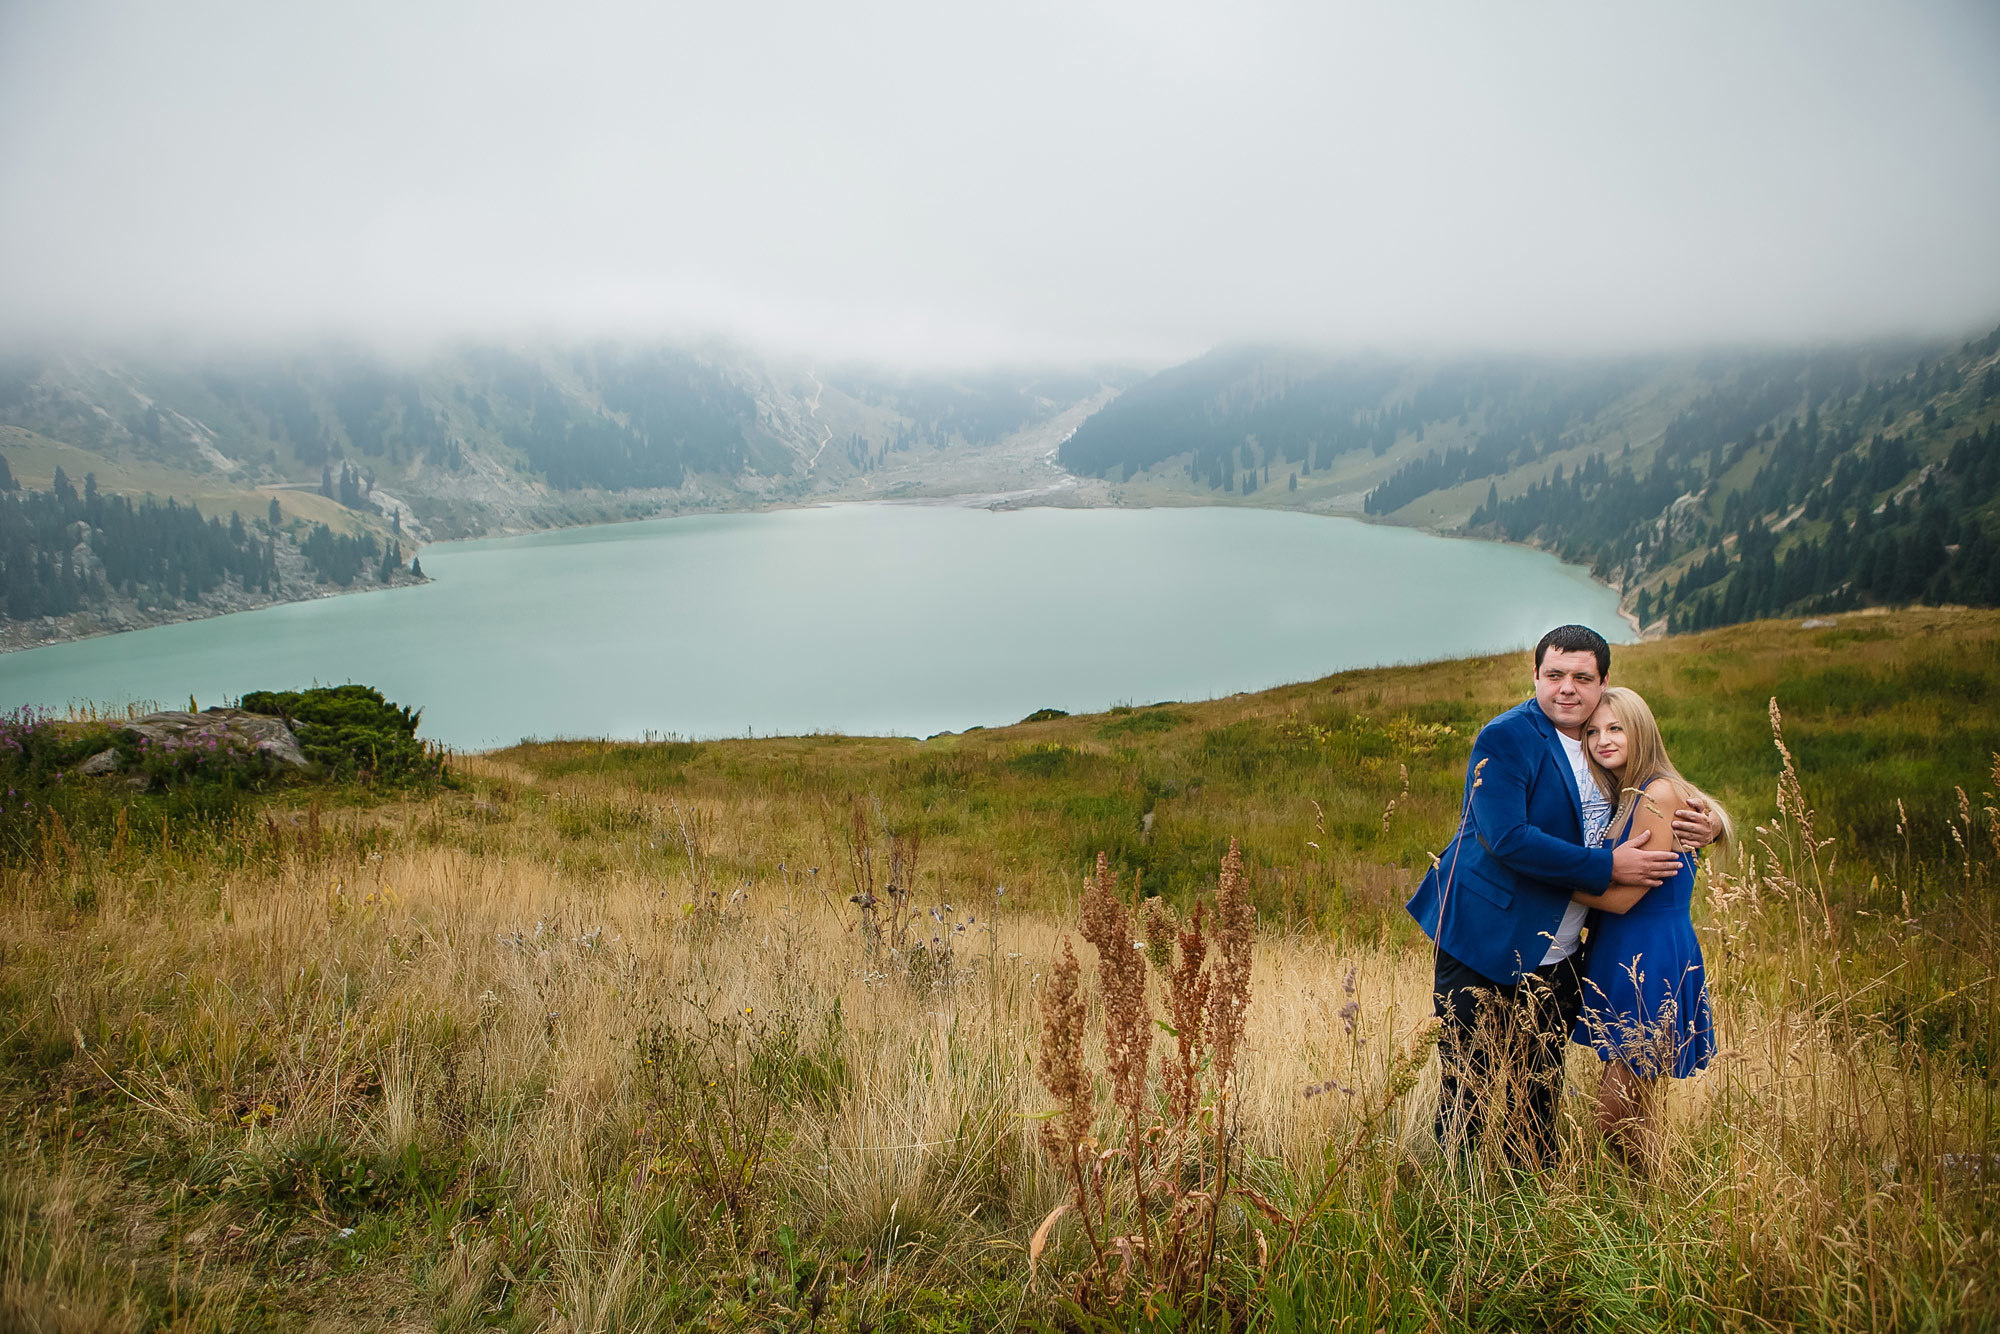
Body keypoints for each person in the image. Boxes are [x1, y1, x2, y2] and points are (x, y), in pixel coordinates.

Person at [1405, 624, 1720, 1168]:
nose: (1567, 688)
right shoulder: (1506, 738)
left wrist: (1708, 824)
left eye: (1582, 677)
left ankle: (1531, 1196)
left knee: (1538, 1091)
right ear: (1535, 675)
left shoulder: (1608, 752)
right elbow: (1507, 838)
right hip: (1485, 936)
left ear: (1603, 682)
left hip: (1564, 949)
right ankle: (1454, 1196)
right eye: (1554, 675)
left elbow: (1661, 793)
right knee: (1469, 1087)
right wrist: (1609, 866)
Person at [1565, 686, 1730, 1168]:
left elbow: (1622, 899)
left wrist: (1545, 883)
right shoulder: (1626, 794)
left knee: (1612, 1115)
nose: (1603, 740)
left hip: (1650, 954)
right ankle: (1654, 1195)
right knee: (1636, 1108)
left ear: (1641, 731)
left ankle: (1654, 1191)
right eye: (1593, 732)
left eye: (1616, 728)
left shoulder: (1657, 792)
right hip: (1620, 951)